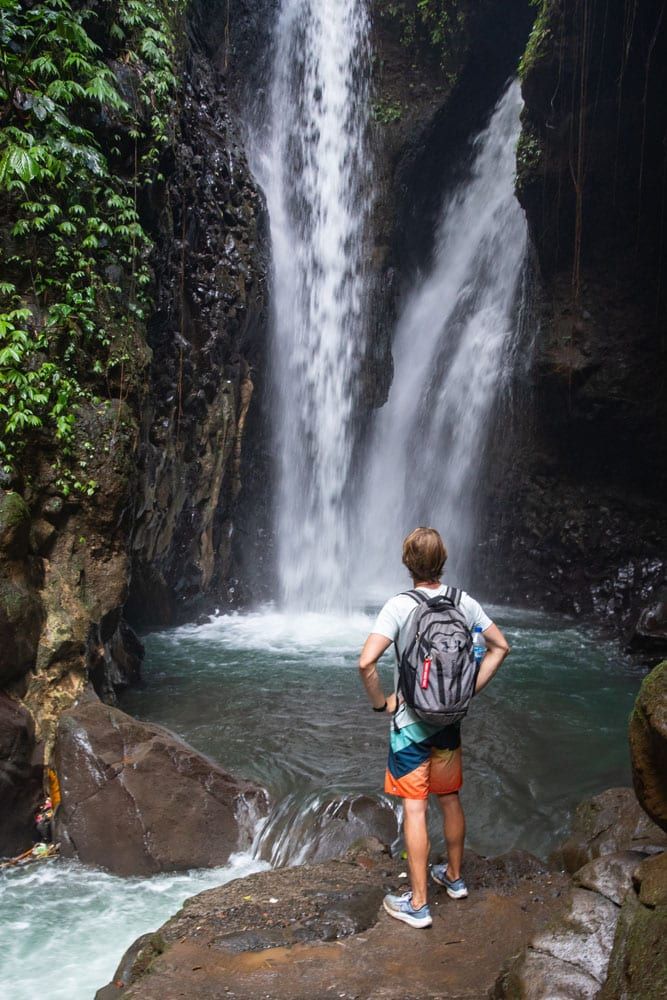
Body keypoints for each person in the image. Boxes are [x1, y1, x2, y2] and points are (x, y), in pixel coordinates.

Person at [358, 526, 510, 929]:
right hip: (449, 722)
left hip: (410, 724)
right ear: (443, 561)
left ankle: (419, 903)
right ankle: (455, 879)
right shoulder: (463, 602)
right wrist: (467, 690)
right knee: (449, 798)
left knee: (415, 807)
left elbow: (365, 663)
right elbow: (501, 647)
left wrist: (381, 703)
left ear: (408, 562)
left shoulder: (399, 606)